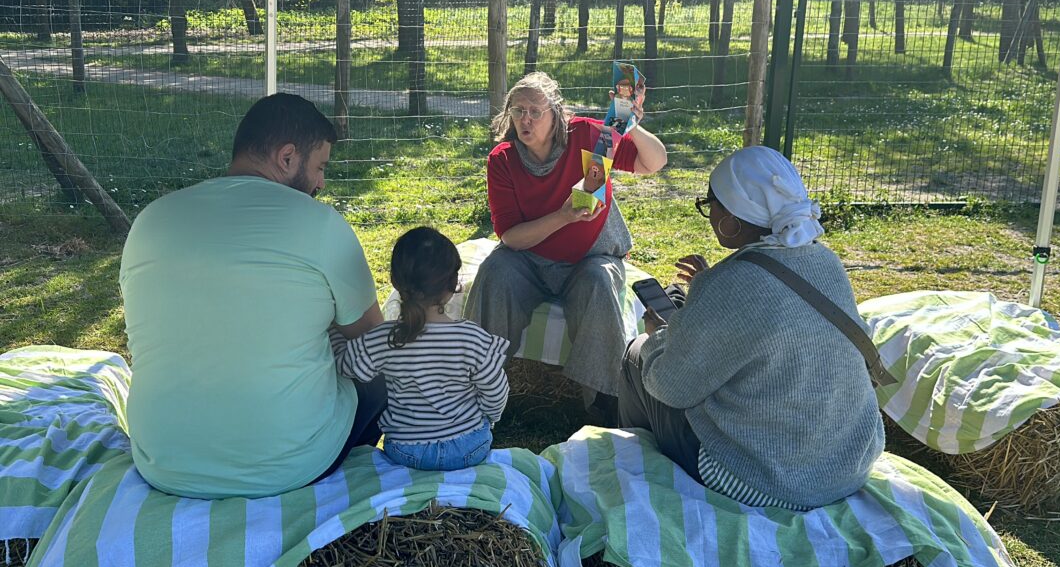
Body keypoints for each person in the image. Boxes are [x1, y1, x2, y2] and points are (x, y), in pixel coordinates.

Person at [120, 93, 386, 499]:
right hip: (292, 467)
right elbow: (371, 335)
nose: (321, 183)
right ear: (287, 157)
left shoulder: (150, 220)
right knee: (380, 375)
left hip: (164, 462)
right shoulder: (319, 222)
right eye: (320, 167)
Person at [618, 146, 885, 510]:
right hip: (845, 467)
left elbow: (672, 387)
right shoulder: (826, 261)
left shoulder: (730, 283)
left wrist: (656, 338)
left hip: (766, 481)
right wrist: (707, 290)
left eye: (709, 203)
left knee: (638, 357)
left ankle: (639, 466)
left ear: (731, 216)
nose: (709, 213)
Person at [463, 71, 667, 421]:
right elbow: (510, 236)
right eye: (517, 111)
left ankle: (606, 402)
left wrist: (630, 124)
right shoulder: (503, 159)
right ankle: (472, 385)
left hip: (592, 256)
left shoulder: (588, 135)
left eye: (535, 111)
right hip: (529, 258)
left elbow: (654, 162)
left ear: (556, 112)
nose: (525, 119)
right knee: (494, 272)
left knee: (600, 284)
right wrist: (562, 217)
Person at [332, 227, 510, 471]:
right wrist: (490, 419)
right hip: (470, 447)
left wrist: (333, 328)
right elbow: (496, 392)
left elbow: (345, 365)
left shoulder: (383, 338)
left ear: (396, 282)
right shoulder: (473, 338)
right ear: (453, 284)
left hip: (407, 450)